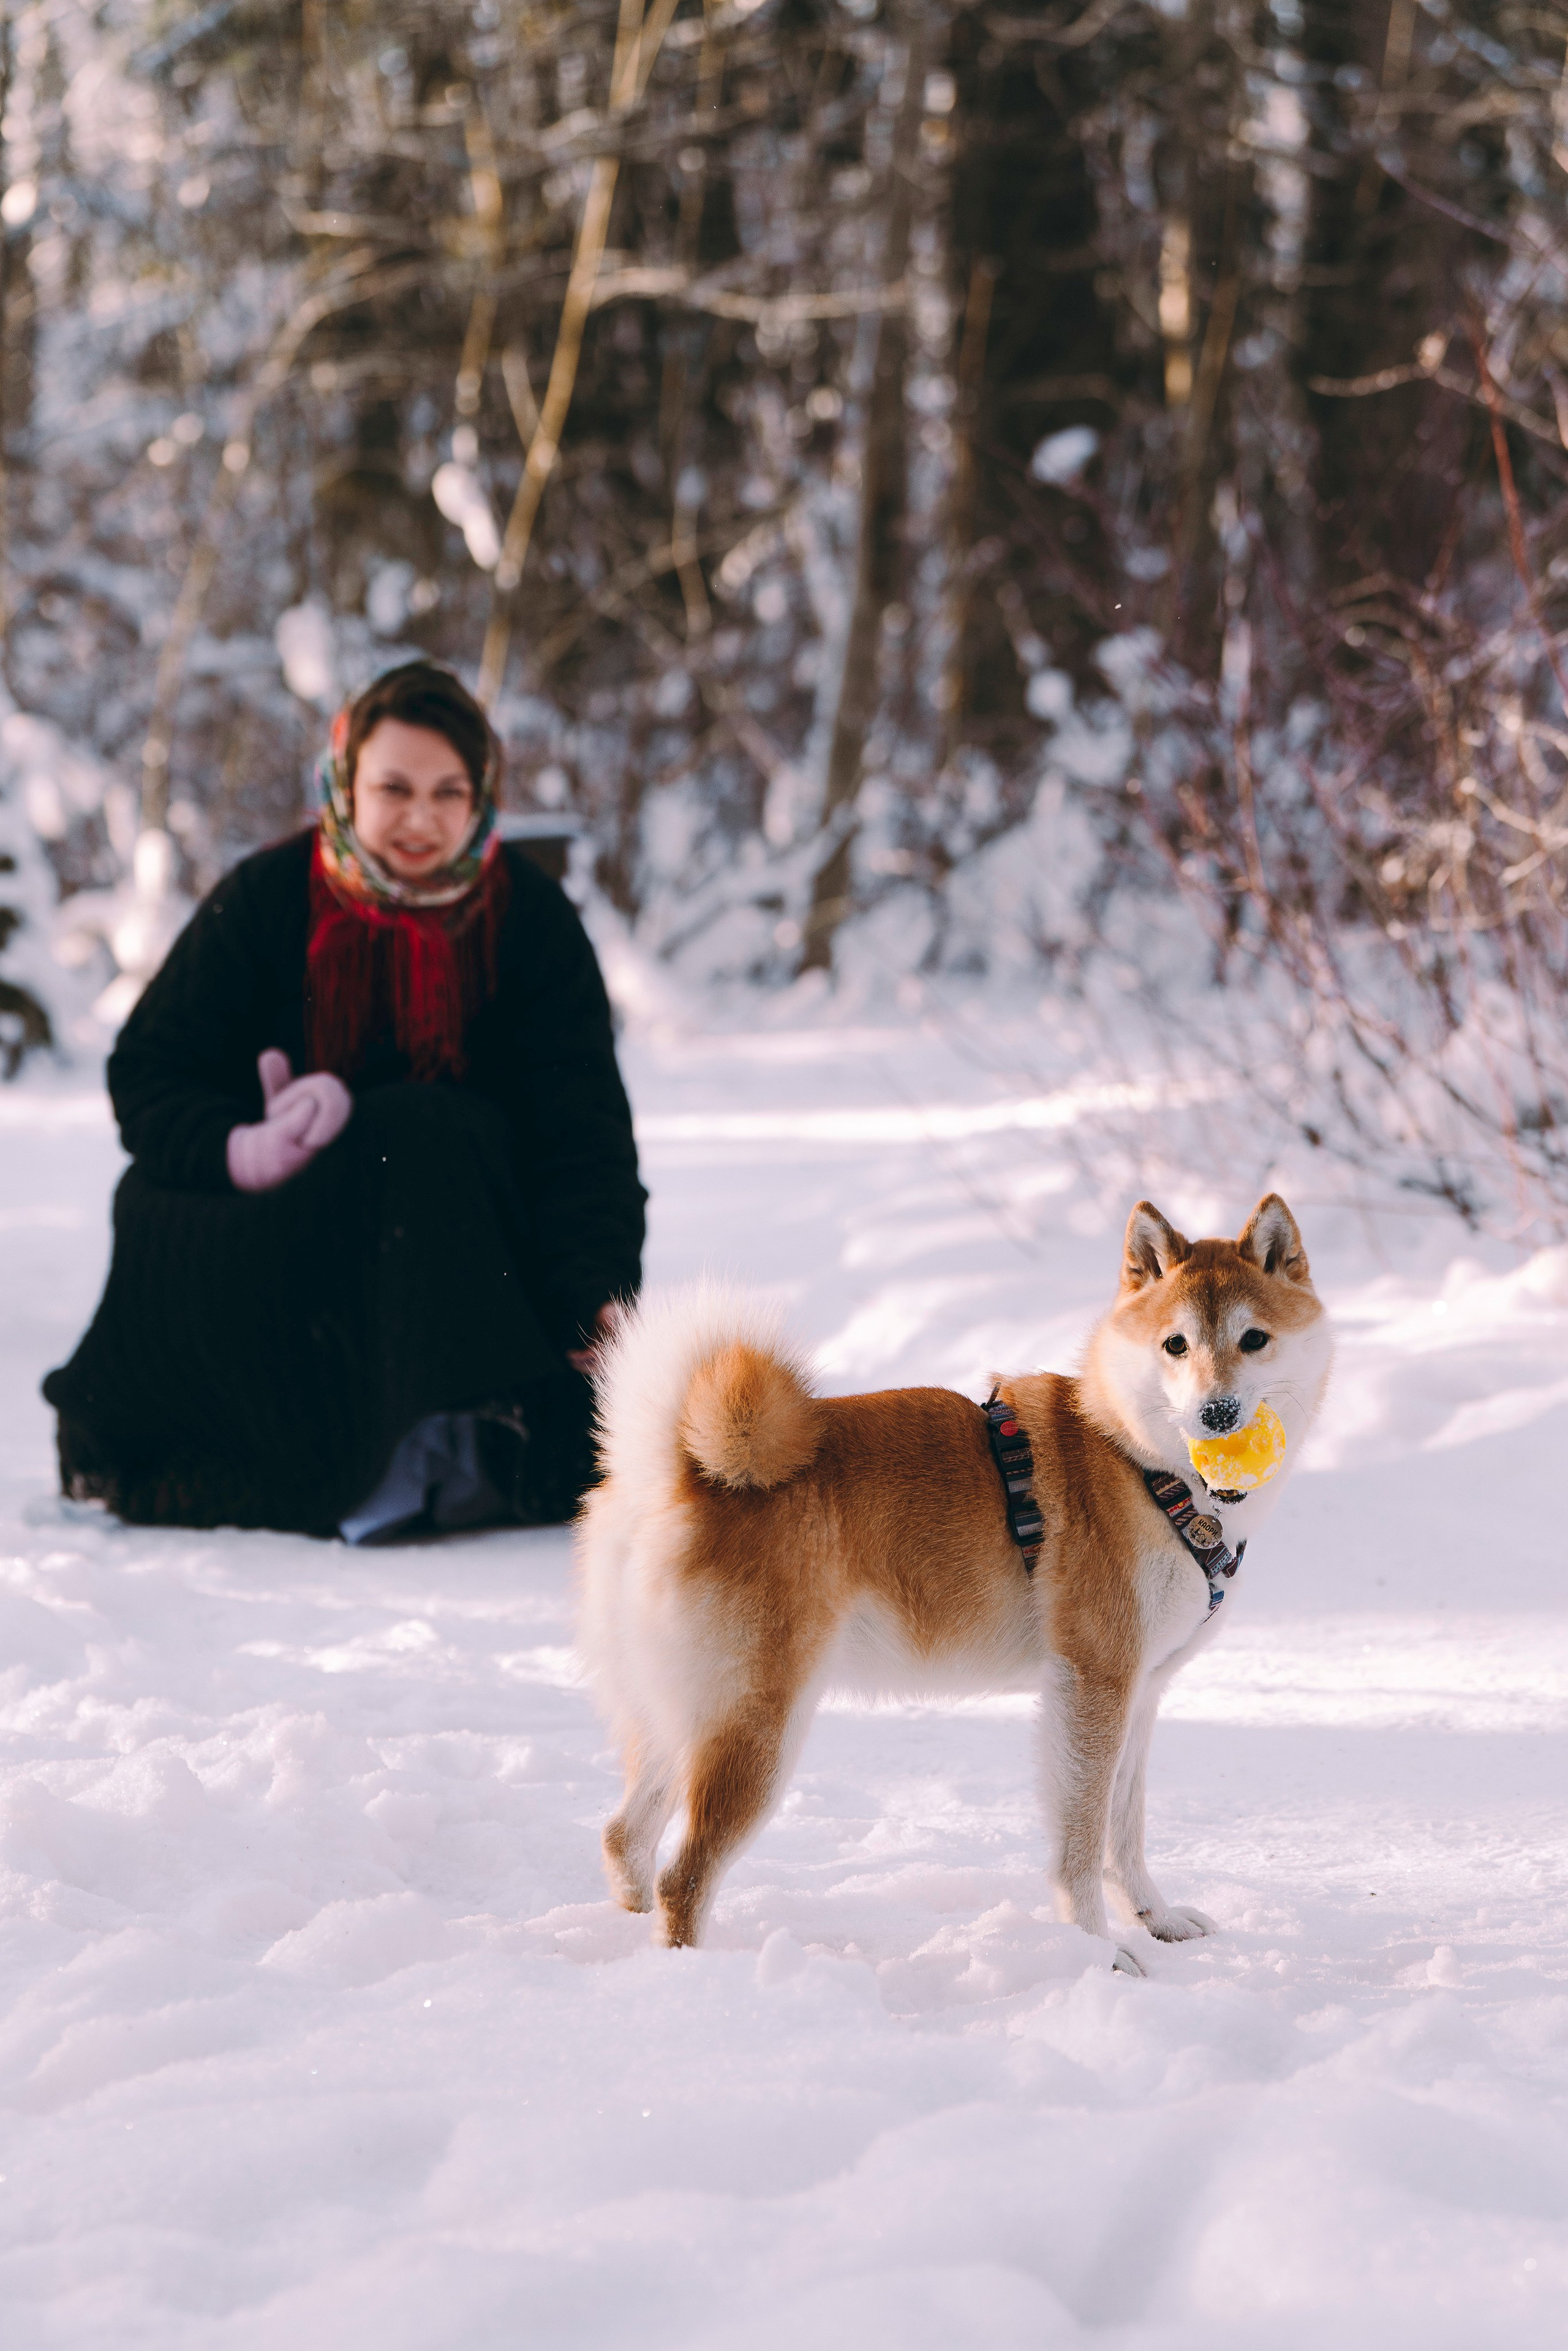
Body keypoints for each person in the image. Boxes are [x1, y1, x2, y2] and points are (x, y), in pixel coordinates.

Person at [44, 661, 645, 1539]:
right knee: (152, 1201)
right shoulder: (266, 896)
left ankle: (454, 1447)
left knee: (420, 1128)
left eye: (450, 792)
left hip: (462, 1238)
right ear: (346, 782)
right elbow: (150, 1069)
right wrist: (239, 1146)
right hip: (298, 1233)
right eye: (394, 787)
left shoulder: (534, 920)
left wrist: (594, 1289)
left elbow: (582, 1132)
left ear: (482, 797)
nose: (420, 818)